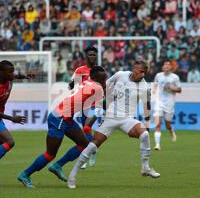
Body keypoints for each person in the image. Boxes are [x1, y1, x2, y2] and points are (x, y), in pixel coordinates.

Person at [68, 61, 160, 189]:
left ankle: (145, 168)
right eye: (140, 71)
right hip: (110, 117)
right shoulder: (120, 75)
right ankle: (72, 176)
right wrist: (101, 99)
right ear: (134, 69)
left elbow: (147, 105)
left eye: (145, 72)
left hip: (127, 119)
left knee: (144, 134)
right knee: (93, 145)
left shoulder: (145, 87)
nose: (143, 74)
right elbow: (104, 85)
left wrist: (147, 123)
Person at [17, 66, 107, 189]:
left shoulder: (86, 82)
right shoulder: (97, 87)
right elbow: (97, 111)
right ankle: (25, 174)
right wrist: (87, 126)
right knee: (50, 154)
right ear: (96, 78)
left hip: (65, 118)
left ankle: (57, 166)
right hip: (60, 118)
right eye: (103, 78)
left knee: (84, 144)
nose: (105, 80)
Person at [49, 45, 99, 174]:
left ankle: (86, 155)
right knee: (86, 135)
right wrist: (72, 84)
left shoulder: (99, 70)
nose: (92, 56)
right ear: (86, 56)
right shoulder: (80, 70)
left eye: (94, 54)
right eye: (90, 54)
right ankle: (92, 150)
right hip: (82, 105)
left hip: (94, 105)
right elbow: (72, 85)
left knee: (88, 126)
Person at [153, 60, 182, 150]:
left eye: (169, 65)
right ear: (163, 67)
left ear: (171, 68)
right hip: (159, 102)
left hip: (170, 103)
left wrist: (171, 88)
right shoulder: (158, 75)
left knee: (167, 124)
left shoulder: (175, 77)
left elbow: (179, 90)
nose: (167, 66)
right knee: (158, 124)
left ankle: (171, 130)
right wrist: (154, 90)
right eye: (165, 64)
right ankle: (157, 145)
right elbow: (155, 84)